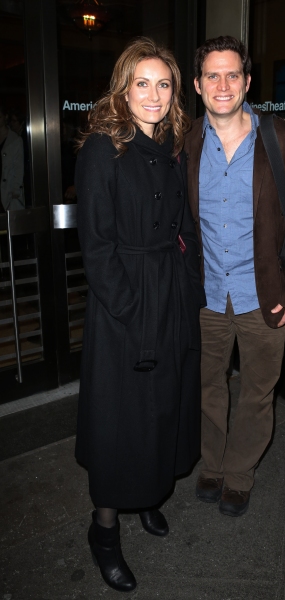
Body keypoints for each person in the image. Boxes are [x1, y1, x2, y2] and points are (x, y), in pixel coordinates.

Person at [75, 37, 205, 592]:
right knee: (119, 421)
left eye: (164, 83)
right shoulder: (104, 148)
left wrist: (190, 288)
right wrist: (130, 308)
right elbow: (96, 247)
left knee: (162, 410)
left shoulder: (177, 144)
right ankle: (105, 529)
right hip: (123, 305)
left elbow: (185, 225)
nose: (153, 95)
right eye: (142, 84)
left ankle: (148, 495)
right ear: (123, 89)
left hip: (170, 294)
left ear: (175, 91)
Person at [184, 36, 285, 518]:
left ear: (246, 81)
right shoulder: (185, 144)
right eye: (212, 76)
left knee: (257, 391)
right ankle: (212, 463)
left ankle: (239, 473)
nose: (222, 84)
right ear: (198, 85)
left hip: (266, 290)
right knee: (207, 385)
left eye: (232, 75)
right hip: (205, 295)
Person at [0, 105, 24, 213]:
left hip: (8, 193)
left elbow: (19, 167)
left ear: (5, 117)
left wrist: (15, 190)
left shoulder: (15, 140)